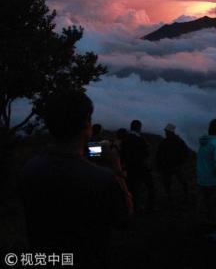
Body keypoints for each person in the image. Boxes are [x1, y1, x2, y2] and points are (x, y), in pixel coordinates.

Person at [20, 91, 133, 269]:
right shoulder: (103, 179)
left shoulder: (29, 168)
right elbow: (124, 218)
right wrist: (115, 165)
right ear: (87, 124)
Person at [196, 119, 216, 227]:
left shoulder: (203, 142)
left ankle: (205, 224)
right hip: (213, 180)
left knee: (205, 203)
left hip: (201, 179)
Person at [120, 120, 156, 213]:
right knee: (150, 186)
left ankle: (132, 208)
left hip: (129, 167)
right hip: (141, 166)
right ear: (139, 127)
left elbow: (122, 153)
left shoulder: (125, 139)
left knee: (132, 188)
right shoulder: (140, 139)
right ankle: (149, 207)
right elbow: (146, 153)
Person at [156, 123, 190, 203]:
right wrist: (182, 161)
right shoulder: (178, 141)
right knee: (182, 181)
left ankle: (171, 197)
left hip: (170, 166)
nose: (165, 133)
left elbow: (159, 154)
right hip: (174, 165)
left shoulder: (165, 142)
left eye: (166, 131)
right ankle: (184, 196)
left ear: (169, 132)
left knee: (170, 182)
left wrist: (159, 164)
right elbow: (186, 152)